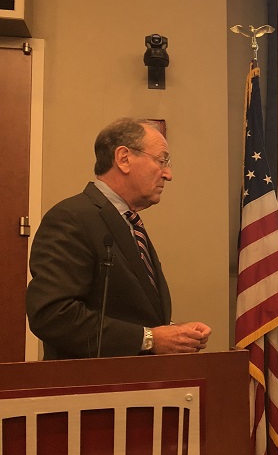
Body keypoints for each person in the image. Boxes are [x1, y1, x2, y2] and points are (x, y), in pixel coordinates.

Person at [27, 117, 211, 359]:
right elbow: (52, 315)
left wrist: (173, 334)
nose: (168, 174)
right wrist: (149, 339)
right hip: (92, 388)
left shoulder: (128, 221)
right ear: (124, 159)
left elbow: (126, 310)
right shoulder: (71, 217)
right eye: (162, 160)